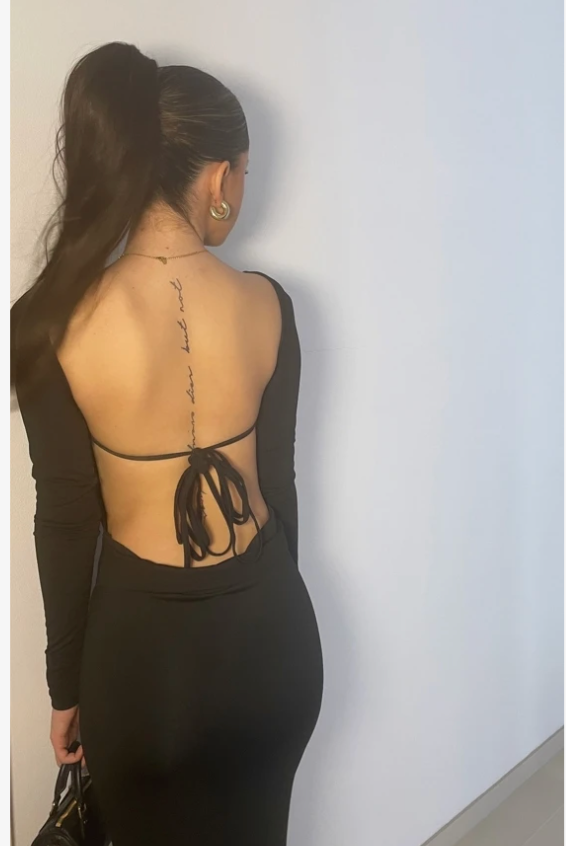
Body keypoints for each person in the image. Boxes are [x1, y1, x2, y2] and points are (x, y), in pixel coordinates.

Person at [11, 41, 324, 846]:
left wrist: (65, 687)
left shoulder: (48, 324)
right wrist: (268, 610)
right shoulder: (269, 305)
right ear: (218, 179)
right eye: (244, 174)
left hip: (143, 669)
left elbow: (66, 520)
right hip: (273, 644)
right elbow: (280, 487)